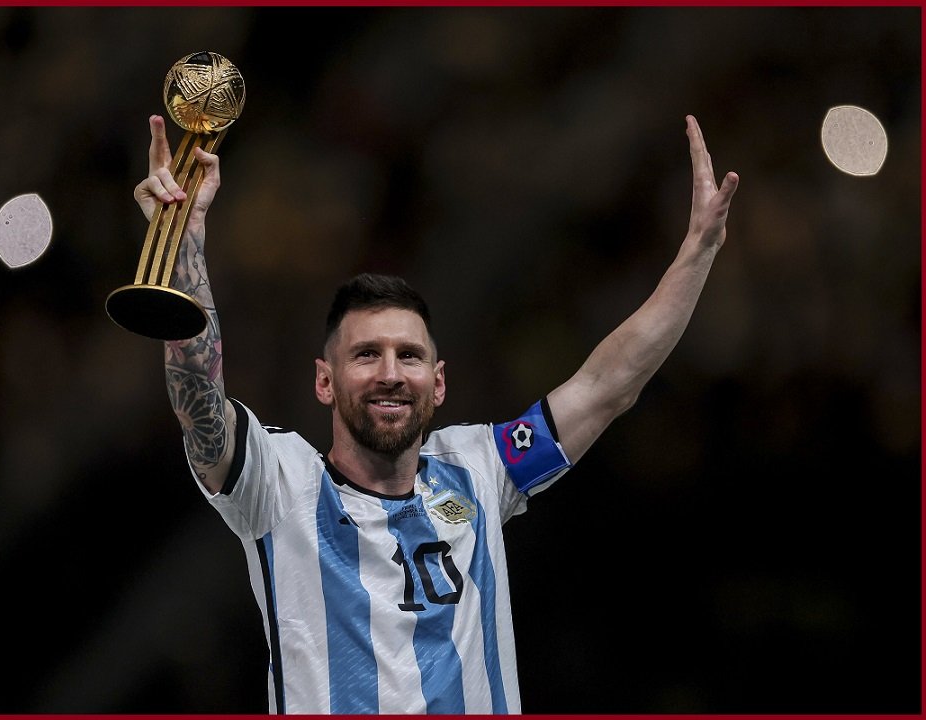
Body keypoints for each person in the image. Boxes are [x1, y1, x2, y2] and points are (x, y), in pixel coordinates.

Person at [133, 113, 739, 714]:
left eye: (409, 355)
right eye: (366, 355)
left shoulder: (480, 467)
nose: (391, 373)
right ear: (324, 381)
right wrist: (182, 243)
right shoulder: (279, 482)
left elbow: (608, 385)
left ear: (439, 382)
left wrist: (698, 253)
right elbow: (198, 394)